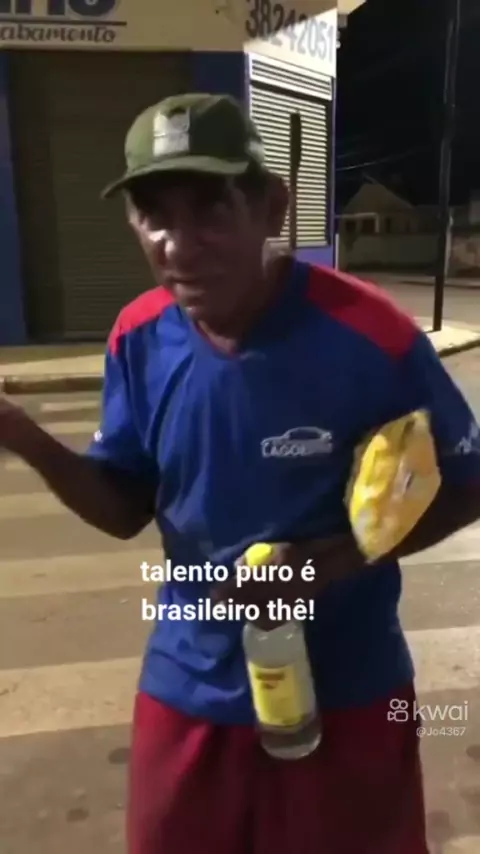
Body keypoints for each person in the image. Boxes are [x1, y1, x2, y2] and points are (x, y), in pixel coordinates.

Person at [2, 92, 480, 854]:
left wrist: (330, 563)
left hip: (349, 687)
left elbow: (466, 482)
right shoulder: (137, 336)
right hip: (189, 682)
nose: (179, 246)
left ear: (271, 207)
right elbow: (124, 507)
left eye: (210, 210)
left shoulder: (371, 335)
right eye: (154, 216)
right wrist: (22, 435)